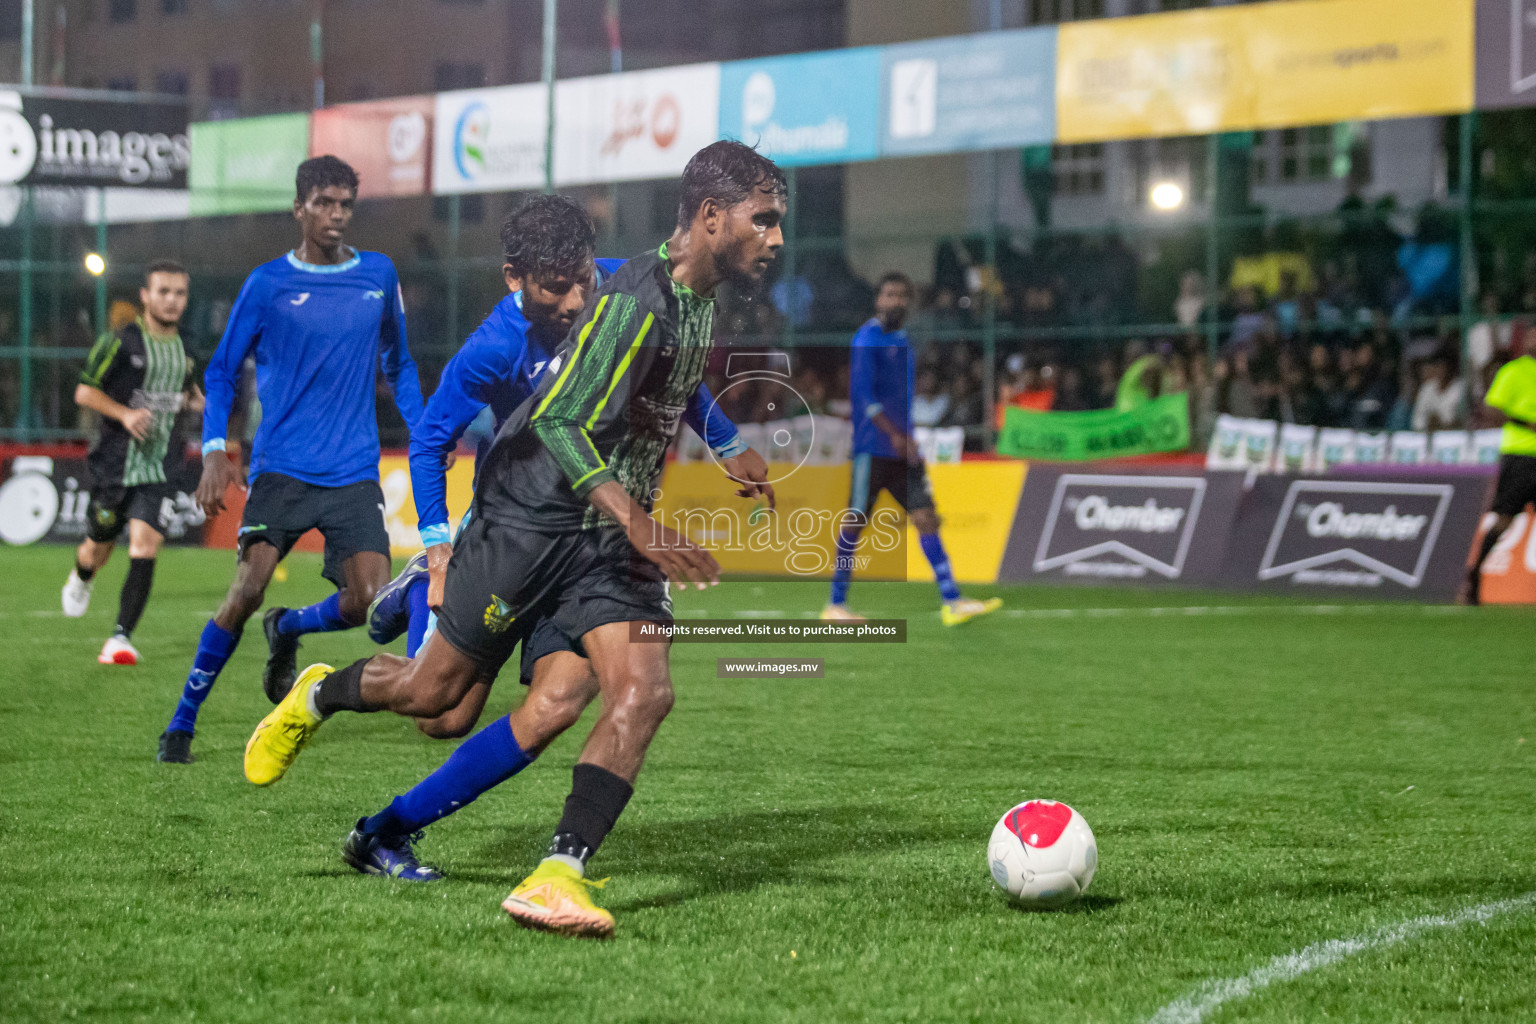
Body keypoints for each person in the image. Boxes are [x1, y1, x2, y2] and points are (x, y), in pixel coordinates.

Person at [241, 141, 783, 937]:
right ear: (711, 218)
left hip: (604, 536)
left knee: (618, 693)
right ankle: (321, 693)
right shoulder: (631, 300)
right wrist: (631, 522)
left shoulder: (688, 298)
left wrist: (726, 443)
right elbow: (559, 419)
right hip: (529, 516)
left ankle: (555, 871)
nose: (775, 239)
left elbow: (669, 374)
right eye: (762, 220)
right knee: (435, 701)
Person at [358, 194, 754, 752]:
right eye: (554, 286)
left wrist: (725, 439)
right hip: (517, 520)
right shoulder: (492, 348)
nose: (575, 301)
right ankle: (418, 587)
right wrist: (440, 552)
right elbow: (427, 444)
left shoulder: (626, 290)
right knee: (442, 718)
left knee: (569, 700)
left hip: (595, 524)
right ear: (513, 278)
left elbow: (670, 372)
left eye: (583, 280)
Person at [155, 155, 424, 765]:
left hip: (353, 469)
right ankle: (181, 723)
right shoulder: (267, 283)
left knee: (370, 604)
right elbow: (222, 371)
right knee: (247, 585)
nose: (336, 215)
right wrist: (217, 450)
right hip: (281, 467)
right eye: (324, 203)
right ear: (298, 209)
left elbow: (399, 363)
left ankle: (292, 627)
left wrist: (424, 428)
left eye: (345, 204)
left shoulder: (378, 275)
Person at [821, 272, 1002, 627]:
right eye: (889, 294)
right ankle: (835, 604)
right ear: (878, 300)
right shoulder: (867, 338)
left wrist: (909, 438)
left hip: (902, 451)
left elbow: (899, 400)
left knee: (926, 517)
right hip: (872, 449)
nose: (896, 301)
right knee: (855, 522)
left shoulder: (903, 341)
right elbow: (864, 397)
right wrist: (897, 436)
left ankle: (953, 601)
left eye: (902, 295)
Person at [62, 260, 201, 666]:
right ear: (146, 296)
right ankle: (82, 576)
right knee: (97, 548)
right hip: (115, 463)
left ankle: (120, 638)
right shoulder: (120, 342)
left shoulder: (188, 349)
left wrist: (203, 405)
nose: (172, 300)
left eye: (179, 293)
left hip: (162, 466)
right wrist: (124, 414)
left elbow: (189, 391)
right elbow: (85, 394)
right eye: (163, 292)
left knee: (145, 543)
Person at [1464, 329, 1536, 605]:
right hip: (1520, 455)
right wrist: (1525, 423)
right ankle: (1475, 575)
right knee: (1505, 519)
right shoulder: (1513, 371)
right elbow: (1492, 410)